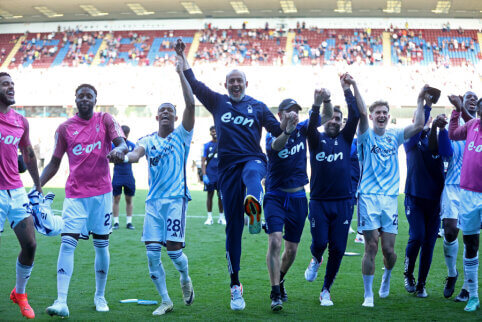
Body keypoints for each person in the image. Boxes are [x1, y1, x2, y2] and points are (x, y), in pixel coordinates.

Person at [176, 39, 289, 310]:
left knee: (253, 173)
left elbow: (277, 132)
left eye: (240, 81)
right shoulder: (218, 102)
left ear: (246, 85)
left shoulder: (258, 106)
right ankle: (235, 285)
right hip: (227, 171)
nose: (236, 84)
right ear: (226, 85)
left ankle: (254, 205)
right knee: (232, 231)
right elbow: (194, 83)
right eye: (231, 81)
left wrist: (288, 126)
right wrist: (182, 58)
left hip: (252, 160)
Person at [40, 83, 128, 318]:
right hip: (75, 195)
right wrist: (36, 186)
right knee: (67, 243)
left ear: (95, 100)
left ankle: (100, 296)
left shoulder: (106, 120)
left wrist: (119, 150)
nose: (85, 99)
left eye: (90, 96)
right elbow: (54, 163)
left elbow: (122, 142)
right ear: (75, 99)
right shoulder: (64, 128)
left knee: (101, 245)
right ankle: (61, 301)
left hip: (101, 195)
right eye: (81, 96)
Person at [118, 56, 195, 316]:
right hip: (153, 203)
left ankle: (185, 277)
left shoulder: (182, 136)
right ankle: (165, 300)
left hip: (175, 201)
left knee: (174, 253)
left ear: (175, 117)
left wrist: (181, 73)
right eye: (162, 110)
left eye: (170, 111)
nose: (166, 113)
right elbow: (135, 154)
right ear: (156, 116)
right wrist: (122, 156)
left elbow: (191, 104)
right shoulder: (147, 140)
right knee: (152, 255)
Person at [357, 85, 426, 307]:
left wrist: (419, 99)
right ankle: (368, 294)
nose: (382, 115)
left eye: (385, 112)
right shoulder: (366, 135)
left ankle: (386, 276)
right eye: (377, 112)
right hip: (368, 196)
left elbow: (419, 125)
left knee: (388, 250)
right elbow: (359, 112)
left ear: (388, 116)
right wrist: (355, 86)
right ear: (371, 116)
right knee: (371, 247)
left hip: (389, 199)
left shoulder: (395, 136)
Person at [264, 94, 331, 311]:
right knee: (275, 241)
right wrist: (287, 130)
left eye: (296, 110)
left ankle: (280, 279)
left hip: (298, 197)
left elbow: (327, 115)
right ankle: (275, 293)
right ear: (280, 114)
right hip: (275, 195)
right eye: (289, 110)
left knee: (291, 250)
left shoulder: (303, 128)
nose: (294, 114)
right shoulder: (272, 133)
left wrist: (324, 100)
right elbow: (276, 146)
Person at [304, 74, 363, 306]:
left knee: (338, 248)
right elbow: (310, 124)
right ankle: (316, 259)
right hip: (319, 201)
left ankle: (326, 289)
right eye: (331, 119)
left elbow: (356, 115)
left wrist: (345, 88)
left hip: (343, 202)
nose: (335, 122)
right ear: (325, 120)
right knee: (320, 243)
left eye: (338, 119)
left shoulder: (347, 139)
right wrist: (317, 103)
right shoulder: (315, 139)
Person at [0, 72, 42, 319]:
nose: (11, 88)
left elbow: (27, 153)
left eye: (12, 84)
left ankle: (20, 293)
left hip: (16, 190)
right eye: (5, 84)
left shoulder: (20, 121)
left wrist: (38, 185)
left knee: (30, 244)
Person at [402, 100, 445, 298]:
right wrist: (426, 105)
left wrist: (439, 128)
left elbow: (447, 152)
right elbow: (418, 129)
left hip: (435, 200)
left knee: (429, 243)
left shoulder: (436, 137)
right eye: (418, 120)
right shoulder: (410, 139)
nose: (422, 123)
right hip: (414, 197)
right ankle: (408, 273)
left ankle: (421, 284)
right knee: (417, 236)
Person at [441, 92, 478, 302]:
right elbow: (449, 140)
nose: (472, 100)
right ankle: (452, 273)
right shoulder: (458, 127)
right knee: (450, 230)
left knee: (471, 238)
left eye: (475, 98)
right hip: (453, 185)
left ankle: (467, 286)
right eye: (468, 97)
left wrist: (460, 108)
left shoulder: (478, 127)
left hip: (474, 189)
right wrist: (456, 110)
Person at [112, 125, 136, 230]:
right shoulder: (114, 146)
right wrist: (116, 158)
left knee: (128, 199)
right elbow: (108, 158)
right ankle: (116, 222)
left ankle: (129, 222)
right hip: (117, 174)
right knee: (116, 198)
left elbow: (136, 159)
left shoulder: (131, 145)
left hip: (128, 175)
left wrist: (124, 158)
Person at [202, 126, 225, 225]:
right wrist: (204, 175)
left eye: (216, 130)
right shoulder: (207, 145)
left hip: (221, 175)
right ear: (210, 133)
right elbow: (203, 162)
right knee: (209, 195)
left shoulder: (224, 144)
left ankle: (221, 217)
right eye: (212, 131)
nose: (214, 132)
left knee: (221, 196)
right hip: (210, 174)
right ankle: (209, 218)